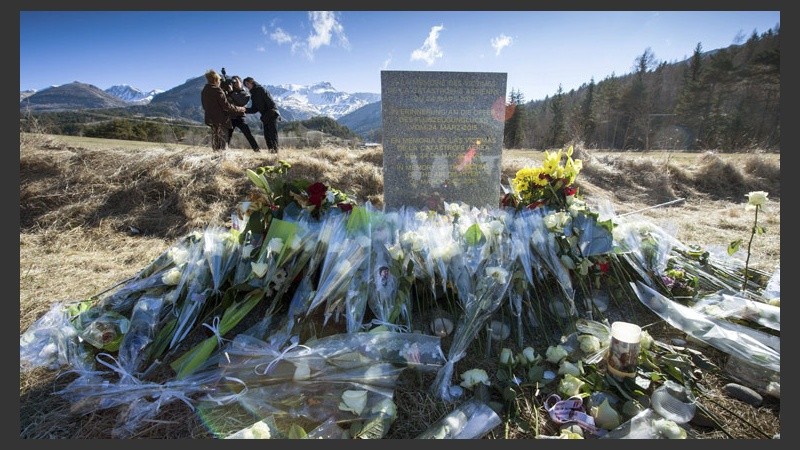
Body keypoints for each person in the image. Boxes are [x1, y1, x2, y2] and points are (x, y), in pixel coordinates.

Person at [201, 69, 245, 151]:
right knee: (222, 144)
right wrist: (240, 109)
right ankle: (222, 161)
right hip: (221, 120)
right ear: (216, 80)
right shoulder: (217, 90)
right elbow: (226, 106)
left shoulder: (205, 90)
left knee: (216, 143)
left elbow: (205, 106)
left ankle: (215, 160)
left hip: (210, 119)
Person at [243, 76, 281, 153]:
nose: (247, 86)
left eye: (247, 83)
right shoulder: (253, 95)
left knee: (273, 135)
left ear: (252, 82)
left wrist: (268, 114)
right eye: (245, 85)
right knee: (267, 136)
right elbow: (254, 109)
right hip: (265, 117)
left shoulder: (261, 89)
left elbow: (271, 104)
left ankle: (276, 154)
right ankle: (271, 152)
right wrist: (243, 109)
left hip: (272, 114)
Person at [224, 75, 261, 152]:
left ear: (240, 82)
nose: (235, 84)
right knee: (228, 136)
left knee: (248, 134)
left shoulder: (245, 93)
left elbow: (241, 101)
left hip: (240, 117)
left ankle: (257, 150)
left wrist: (231, 92)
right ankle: (224, 150)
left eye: (236, 81)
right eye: (234, 82)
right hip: (230, 117)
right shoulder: (229, 91)